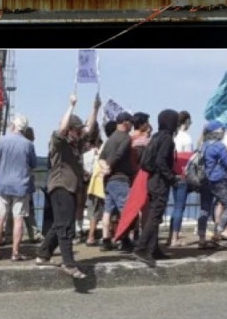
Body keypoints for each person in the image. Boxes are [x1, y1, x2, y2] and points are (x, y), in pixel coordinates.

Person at [36, 92, 100, 280]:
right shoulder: (58, 142)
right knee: (66, 226)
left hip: (71, 187)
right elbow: (62, 128)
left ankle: (43, 254)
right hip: (60, 186)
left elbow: (89, 128)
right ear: (70, 129)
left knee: (60, 224)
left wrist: (95, 108)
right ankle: (68, 262)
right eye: (77, 129)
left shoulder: (77, 143)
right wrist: (71, 105)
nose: (81, 132)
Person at [134, 108, 178, 267]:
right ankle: (141, 248)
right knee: (154, 216)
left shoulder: (156, 136)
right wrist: (172, 179)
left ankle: (153, 249)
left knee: (155, 215)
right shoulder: (167, 138)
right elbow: (161, 161)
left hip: (152, 180)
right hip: (160, 182)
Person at [0, 113, 38, 261]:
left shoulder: (2, 140)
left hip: (2, 184)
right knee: (18, 219)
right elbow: (34, 164)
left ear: (13, 125)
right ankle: (15, 253)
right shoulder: (28, 144)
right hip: (20, 185)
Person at [97, 111, 134, 251]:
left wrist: (104, 167)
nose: (131, 125)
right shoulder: (126, 138)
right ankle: (125, 240)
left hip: (108, 180)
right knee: (124, 209)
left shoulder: (111, 138)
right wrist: (110, 167)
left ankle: (106, 240)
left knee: (107, 210)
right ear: (125, 123)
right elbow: (119, 154)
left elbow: (101, 156)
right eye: (130, 122)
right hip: (120, 178)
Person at [200, 121, 227, 246]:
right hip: (218, 179)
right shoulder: (219, 146)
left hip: (204, 180)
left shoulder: (202, 145)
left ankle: (202, 238)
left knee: (204, 209)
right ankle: (218, 233)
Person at [167, 111, 193, 249]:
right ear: (186, 121)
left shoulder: (173, 136)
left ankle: (171, 236)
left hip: (172, 175)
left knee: (175, 207)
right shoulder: (187, 138)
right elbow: (188, 159)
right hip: (182, 176)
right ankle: (175, 238)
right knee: (179, 207)